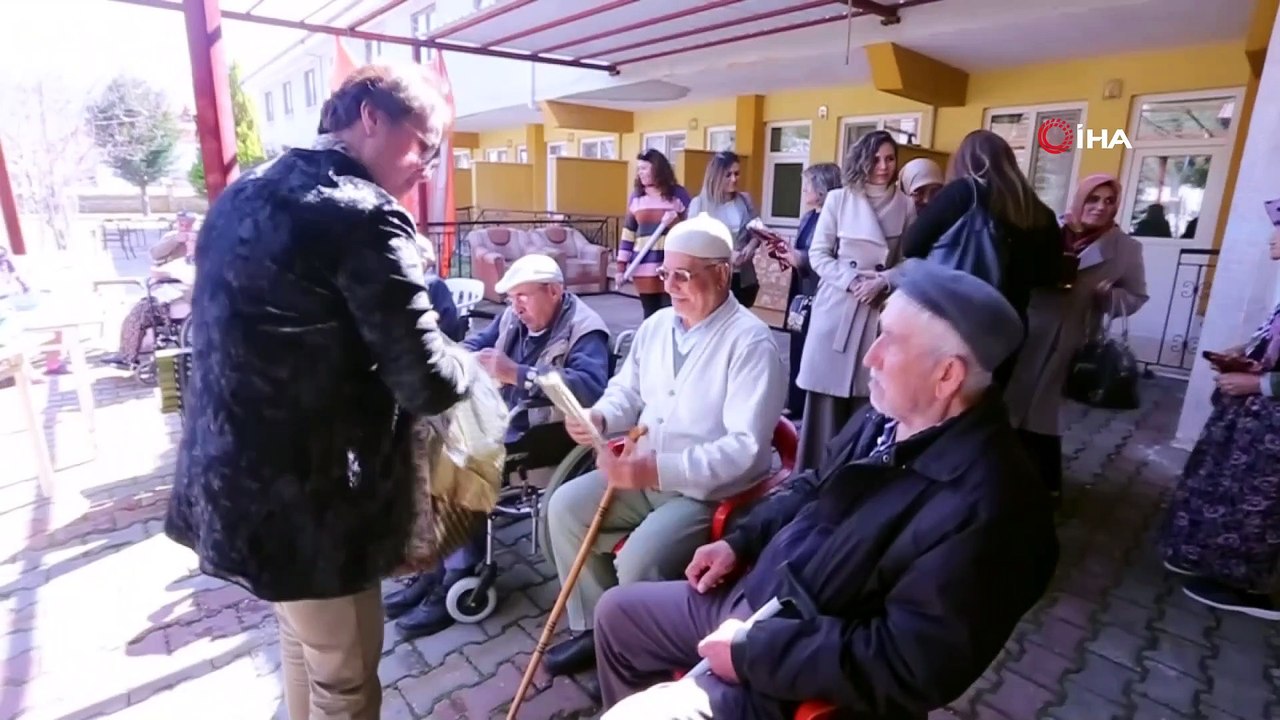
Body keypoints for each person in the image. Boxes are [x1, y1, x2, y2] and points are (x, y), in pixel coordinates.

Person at [594, 259, 1059, 719]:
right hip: (759, 598)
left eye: (889, 342)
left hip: (793, 676)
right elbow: (813, 486)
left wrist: (753, 652)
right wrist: (741, 541)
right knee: (616, 615)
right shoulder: (890, 417)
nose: (869, 356)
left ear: (947, 376)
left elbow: (909, 663)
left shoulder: (994, 509)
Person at [164, 64, 470, 720]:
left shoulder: (245, 192)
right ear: (370, 118)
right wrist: (476, 366)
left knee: (302, 645)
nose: (430, 166)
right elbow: (427, 380)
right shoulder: (359, 212)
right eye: (425, 144)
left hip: (231, 481)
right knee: (347, 680)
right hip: (309, 498)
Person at [542, 212, 788, 677]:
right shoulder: (657, 327)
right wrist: (600, 415)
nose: (669, 285)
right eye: (664, 273)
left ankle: (636, 655)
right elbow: (627, 391)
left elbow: (744, 450)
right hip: (643, 473)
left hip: (709, 493)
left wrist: (656, 469)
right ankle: (598, 633)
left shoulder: (751, 343)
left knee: (641, 558)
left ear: (720, 273)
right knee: (564, 508)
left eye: (682, 275)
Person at [389, 254, 610, 637]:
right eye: (511, 298)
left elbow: (592, 388)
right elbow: (481, 340)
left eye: (524, 296)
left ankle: (460, 572)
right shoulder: (515, 315)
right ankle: (437, 565)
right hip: (502, 423)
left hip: (545, 437)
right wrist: (459, 357)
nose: (516, 306)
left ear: (554, 291)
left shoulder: (586, 329)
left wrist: (516, 373)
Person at [1158, 222, 1280, 620]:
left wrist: (1259, 384)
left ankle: (1249, 585)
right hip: (1256, 418)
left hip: (1269, 421)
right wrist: (1247, 350)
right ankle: (1209, 557)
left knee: (1258, 506)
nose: (1272, 238)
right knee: (1227, 488)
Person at [1005, 174, 1147, 498]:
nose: (1100, 207)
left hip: (1071, 339)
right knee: (1009, 405)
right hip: (1026, 330)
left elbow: (1136, 296)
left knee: (1043, 415)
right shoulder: (1045, 230)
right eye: (1093, 199)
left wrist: (1109, 298)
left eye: (1109, 201)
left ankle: (1043, 486)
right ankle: (1003, 477)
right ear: (1079, 199)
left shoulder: (1125, 248)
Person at [899, 130, 1063, 384]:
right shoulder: (1039, 211)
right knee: (991, 397)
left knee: (948, 396)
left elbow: (912, 246)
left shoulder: (963, 193)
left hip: (961, 318)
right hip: (1012, 323)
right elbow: (1049, 274)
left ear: (965, 161)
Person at [794, 130, 914, 471]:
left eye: (890, 159)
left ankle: (854, 475)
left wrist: (884, 280)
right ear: (862, 159)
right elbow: (818, 254)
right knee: (826, 398)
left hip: (879, 311)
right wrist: (851, 280)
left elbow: (912, 259)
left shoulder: (905, 205)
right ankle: (814, 472)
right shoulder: (838, 199)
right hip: (837, 310)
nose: (883, 166)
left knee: (871, 398)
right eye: (876, 159)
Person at [783, 162, 841, 419]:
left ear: (822, 189)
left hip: (820, 293)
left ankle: (810, 406)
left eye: (807, 186)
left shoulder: (834, 218)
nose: (804, 191)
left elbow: (828, 258)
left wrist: (800, 258)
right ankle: (794, 402)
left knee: (813, 349)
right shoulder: (808, 217)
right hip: (801, 291)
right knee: (797, 345)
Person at [619, 149, 691, 318]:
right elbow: (628, 233)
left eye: (644, 168)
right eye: (639, 169)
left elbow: (691, 230)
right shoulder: (636, 197)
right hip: (644, 268)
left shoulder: (678, 195)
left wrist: (675, 223)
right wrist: (621, 267)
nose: (640, 173)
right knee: (651, 316)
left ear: (657, 169)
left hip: (671, 267)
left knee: (672, 315)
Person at [687, 151, 761, 308]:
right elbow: (693, 243)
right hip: (713, 277)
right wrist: (726, 254)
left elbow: (758, 230)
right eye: (728, 175)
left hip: (743, 277)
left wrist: (751, 246)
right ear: (716, 176)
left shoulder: (745, 200)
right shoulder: (699, 204)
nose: (734, 179)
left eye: (737, 174)